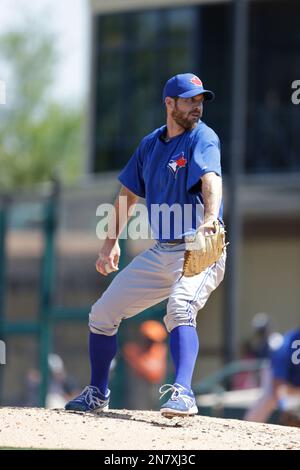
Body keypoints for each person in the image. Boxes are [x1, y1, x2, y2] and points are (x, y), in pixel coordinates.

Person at [65, 73, 226, 417]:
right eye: (189, 100)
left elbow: (211, 179)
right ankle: (97, 392)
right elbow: (127, 196)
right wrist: (110, 243)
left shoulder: (203, 138)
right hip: (162, 250)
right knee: (102, 314)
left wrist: (211, 218)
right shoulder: (150, 145)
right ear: (169, 104)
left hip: (201, 246)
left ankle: (183, 393)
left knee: (180, 307)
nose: (197, 106)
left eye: (200, 100)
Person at [244, 327, 300, 423]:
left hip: (292, 388)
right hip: (279, 382)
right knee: (269, 398)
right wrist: (285, 408)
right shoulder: (286, 343)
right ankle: (246, 429)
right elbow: (278, 386)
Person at [123, 320, 168, 410]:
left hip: (156, 385)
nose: (151, 343)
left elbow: (158, 372)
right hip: (140, 385)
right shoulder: (132, 349)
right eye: (149, 339)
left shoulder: (160, 349)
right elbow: (142, 369)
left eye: (154, 340)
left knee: (156, 404)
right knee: (139, 404)